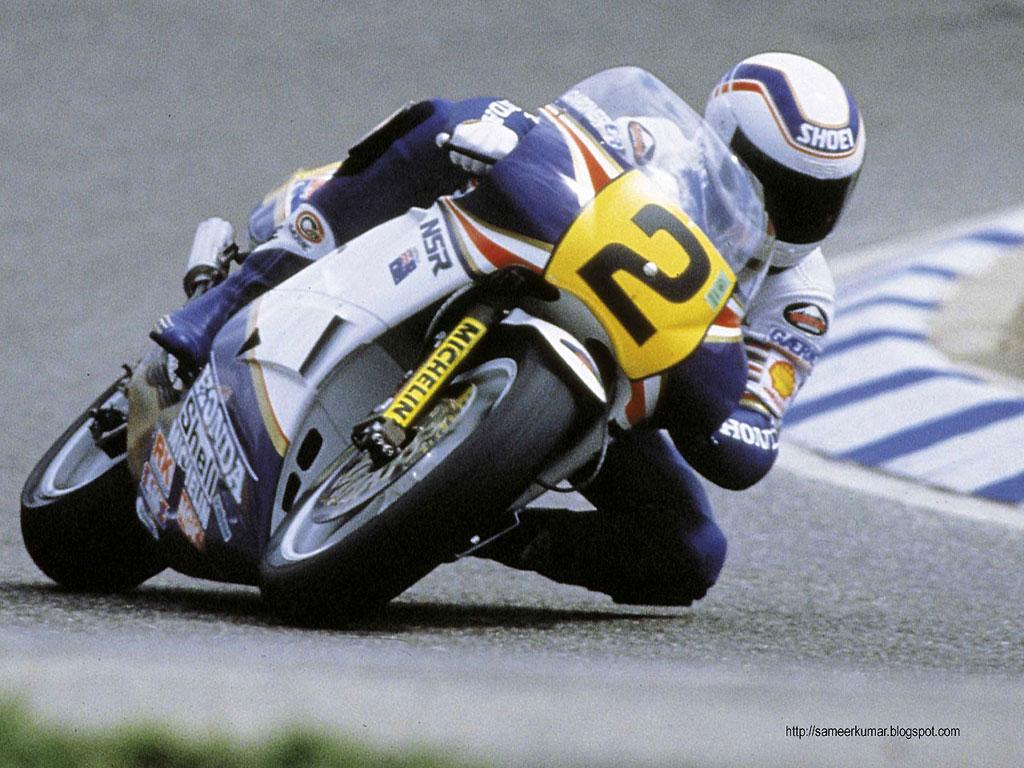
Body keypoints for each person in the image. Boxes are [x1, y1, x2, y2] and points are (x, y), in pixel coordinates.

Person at [152, 52, 864, 606]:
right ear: (723, 141)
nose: (788, 215)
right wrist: (503, 140)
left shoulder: (801, 298)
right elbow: (551, 135)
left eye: (817, 199)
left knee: (690, 553)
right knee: (444, 121)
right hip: (515, 261)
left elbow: (754, 427)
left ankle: (467, 521)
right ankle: (228, 297)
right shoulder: (654, 142)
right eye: (776, 186)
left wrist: (719, 416)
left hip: (607, 393)